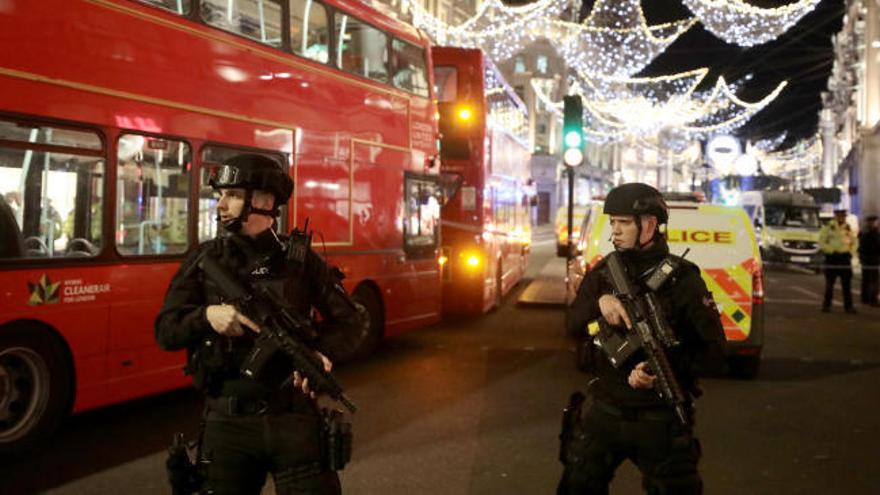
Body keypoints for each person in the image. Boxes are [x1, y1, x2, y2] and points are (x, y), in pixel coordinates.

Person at [155, 153, 366, 495]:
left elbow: (352, 320)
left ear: (265, 201)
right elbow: (165, 330)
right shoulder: (205, 259)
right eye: (221, 194)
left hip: (294, 419)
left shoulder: (300, 262)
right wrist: (207, 316)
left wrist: (323, 352)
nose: (221, 203)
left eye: (234, 195)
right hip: (229, 423)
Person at [560, 183, 726, 495]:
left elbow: (715, 354)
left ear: (649, 225)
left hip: (658, 419)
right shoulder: (604, 272)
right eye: (613, 222)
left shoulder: (684, 280)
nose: (616, 230)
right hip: (605, 410)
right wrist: (600, 304)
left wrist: (657, 367)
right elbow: (570, 327)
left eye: (624, 222)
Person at [819, 209, 859, 313]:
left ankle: (848, 307)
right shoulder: (828, 227)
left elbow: (854, 242)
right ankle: (826, 305)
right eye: (840, 216)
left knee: (846, 285)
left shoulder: (848, 228)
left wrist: (851, 252)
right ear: (836, 216)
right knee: (829, 285)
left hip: (844, 258)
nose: (842, 218)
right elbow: (822, 241)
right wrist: (831, 251)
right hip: (832, 258)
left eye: (843, 216)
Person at [858, 215, 879, 307]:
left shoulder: (865, 233)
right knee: (872, 280)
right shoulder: (869, 234)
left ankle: (866, 298)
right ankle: (872, 299)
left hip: (869, 260)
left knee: (867, 280)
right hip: (870, 260)